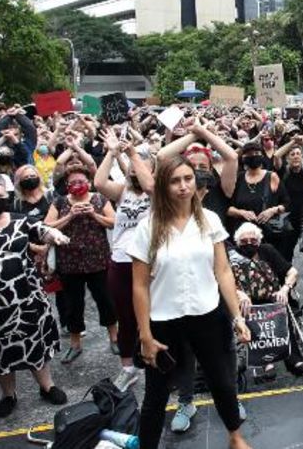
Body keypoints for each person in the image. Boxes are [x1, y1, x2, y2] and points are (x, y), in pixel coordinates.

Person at [128, 155, 252, 449]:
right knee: (156, 395)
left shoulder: (209, 220)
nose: (183, 187)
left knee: (222, 382)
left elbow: (222, 271)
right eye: (174, 181)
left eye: (187, 179)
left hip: (207, 315)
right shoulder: (148, 226)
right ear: (162, 186)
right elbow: (140, 285)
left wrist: (237, 317)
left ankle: (235, 436)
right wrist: (145, 335)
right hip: (163, 320)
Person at [0, 180, 68, 418]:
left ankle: (47, 386)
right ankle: (8, 395)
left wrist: (55, 235)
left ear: (8, 197)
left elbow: (43, 230)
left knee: (33, 341)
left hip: (26, 296)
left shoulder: (20, 219)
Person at [94, 129, 155, 391]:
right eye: (131, 166)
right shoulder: (122, 192)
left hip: (148, 262)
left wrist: (134, 153)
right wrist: (111, 152)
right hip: (120, 261)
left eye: (140, 165)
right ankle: (128, 368)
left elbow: (150, 184)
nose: (133, 170)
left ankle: (156, 359)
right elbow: (98, 183)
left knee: (153, 315)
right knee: (125, 317)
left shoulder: (157, 193)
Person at [44, 166, 118, 364]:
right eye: (73, 182)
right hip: (69, 262)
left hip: (98, 259)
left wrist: (94, 214)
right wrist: (70, 216)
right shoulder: (59, 202)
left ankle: (114, 338)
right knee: (73, 305)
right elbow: (47, 226)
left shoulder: (100, 199)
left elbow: (113, 222)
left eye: (81, 181)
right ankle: (75, 345)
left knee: (105, 300)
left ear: (89, 182)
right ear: (67, 186)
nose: (77, 185)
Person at [228, 223, 303, 378]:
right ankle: (266, 362)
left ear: (258, 241)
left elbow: (292, 272)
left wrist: (285, 288)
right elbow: (224, 282)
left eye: (252, 240)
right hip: (247, 304)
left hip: (273, 299)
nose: (248, 244)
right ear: (238, 242)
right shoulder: (232, 257)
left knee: (281, 311)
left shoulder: (267, 250)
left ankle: (294, 359)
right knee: (252, 315)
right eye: (244, 241)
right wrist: (238, 293)